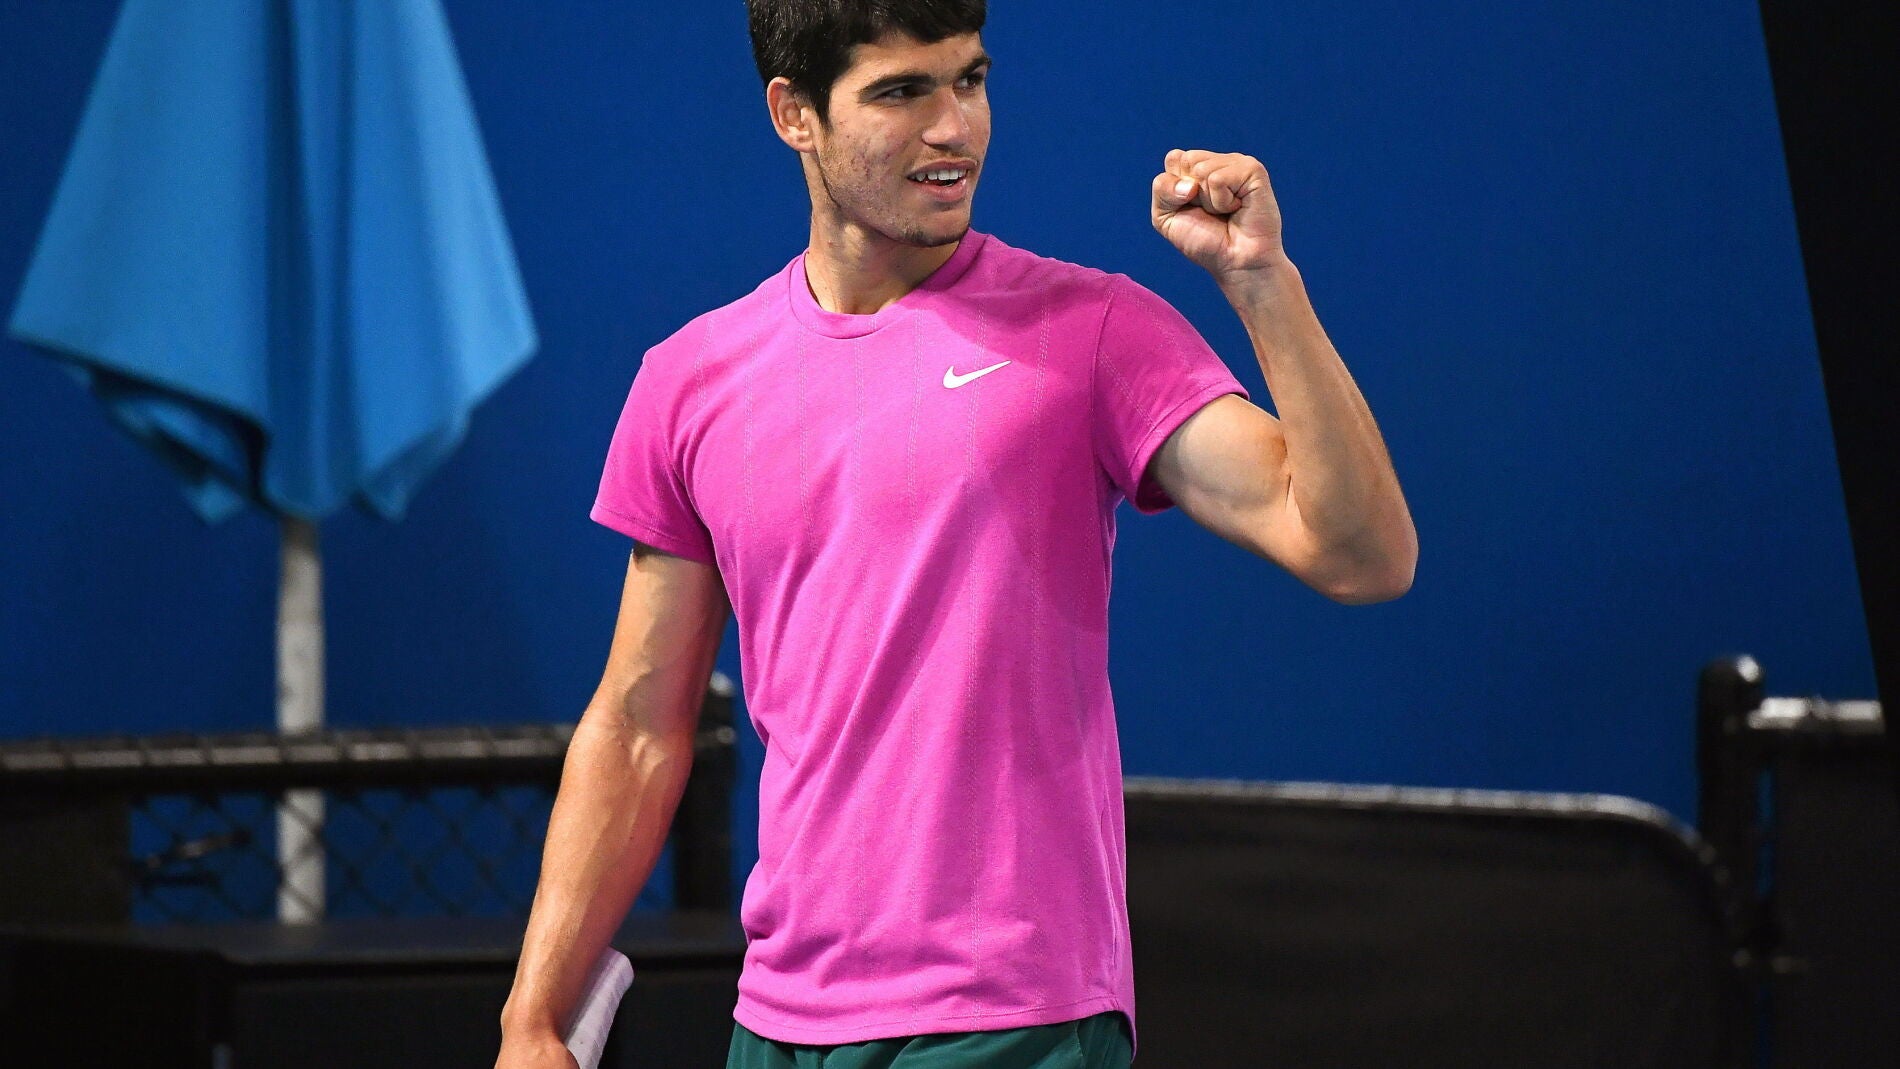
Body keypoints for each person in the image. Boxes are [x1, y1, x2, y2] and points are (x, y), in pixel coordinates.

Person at [496, 2, 1416, 1066]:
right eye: (901, 92)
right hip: (779, 1020)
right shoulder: (689, 382)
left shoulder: (1094, 332)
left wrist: (1263, 287)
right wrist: (533, 1017)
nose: (954, 127)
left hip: (1014, 1017)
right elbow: (637, 725)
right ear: (795, 114)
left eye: (968, 80)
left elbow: (1359, 553)